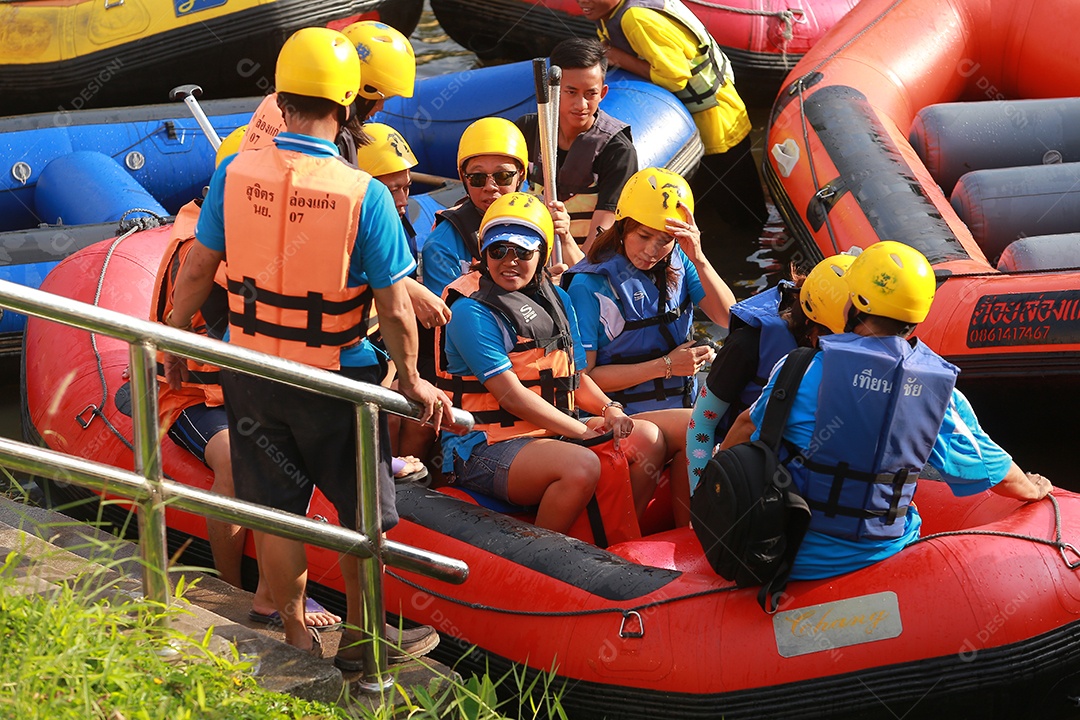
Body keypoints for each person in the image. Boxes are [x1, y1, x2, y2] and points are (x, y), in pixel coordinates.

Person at [161, 27, 453, 667]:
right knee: (361, 519)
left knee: (276, 511)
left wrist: (176, 335)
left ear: (280, 97)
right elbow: (395, 307)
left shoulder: (234, 173)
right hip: (335, 381)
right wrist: (410, 378)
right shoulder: (365, 194)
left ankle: (294, 636)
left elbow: (198, 267)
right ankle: (364, 638)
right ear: (348, 103)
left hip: (250, 371)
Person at [722, 241, 1053, 580]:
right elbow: (992, 468)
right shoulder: (939, 392)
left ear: (853, 304)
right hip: (888, 554)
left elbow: (746, 427)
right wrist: (1032, 488)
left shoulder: (801, 370)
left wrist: (716, 497)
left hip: (795, 558)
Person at [149, 125, 342, 631]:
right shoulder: (197, 251)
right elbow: (239, 328)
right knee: (237, 463)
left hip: (250, 390)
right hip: (195, 395)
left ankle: (273, 591)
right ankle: (231, 587)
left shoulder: (258, 240)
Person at [437, 192, 667, 532]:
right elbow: (511, 396)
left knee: (647, 438)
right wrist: (582, 432)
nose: (509, 261)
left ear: (542, 255)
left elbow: (574, 377)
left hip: (550, 433)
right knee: (581, 464)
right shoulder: (470, 311)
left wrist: (610, 410)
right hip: (483, 448)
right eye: (498, 251)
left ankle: (616, 536)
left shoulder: (557, 297)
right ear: (484, 254)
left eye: (523, 252)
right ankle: (539, 552)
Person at [563, 166, 736, 526]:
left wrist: (698, 256)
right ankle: (675, 531)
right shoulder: (589, 285)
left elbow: (728, 318)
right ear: (623, 225)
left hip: (672, 406)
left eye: (665, 240)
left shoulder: (680, 261)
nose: (651, 250)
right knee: (696, 425)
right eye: (643, 236)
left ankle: (688, 533)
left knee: (726, 418)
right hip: (614, 414)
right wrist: (667, 366)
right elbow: (584, 378)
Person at [575, 0, 768, 232]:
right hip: (707, 117)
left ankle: (752, 246)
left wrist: (617, 57)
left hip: (715, 125)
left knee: (742, 217)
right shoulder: (614, 13)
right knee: (708, 209)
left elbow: (675, 77)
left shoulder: (636, 18)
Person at [686, 253, 857, 484]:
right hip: (737, 455)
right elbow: (701, 424)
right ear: (809, 324)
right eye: (834, 337)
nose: (843, 347)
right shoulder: (749, 343)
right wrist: (701, 492)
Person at [354, 123, 450, 477]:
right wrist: (411, 287)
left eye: (406, 187)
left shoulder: (396, 220)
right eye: (391, 189)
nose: (402, 199)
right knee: (394, 410)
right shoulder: (344, 221)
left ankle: (413, 481)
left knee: (422, 414)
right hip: (354, 356)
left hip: (384, 352)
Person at [421, 117, 581, 300]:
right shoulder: (442, 244)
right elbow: (451, 313)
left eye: (503, 176)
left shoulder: (543, 219)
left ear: (521, 174)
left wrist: (565, 238)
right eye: (477, 178)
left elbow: (587, 286)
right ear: (464, 178)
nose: (490, 187)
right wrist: (540, 290)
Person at [514, 37, 638, 248]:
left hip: (583, 258)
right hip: (526, 253)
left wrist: (568, 252)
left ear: (603, 93)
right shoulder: (527, 130)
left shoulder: (618, 152)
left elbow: (599, 243)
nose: (581, 105)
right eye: (571, 92)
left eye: (591, 94)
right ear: (551, 89)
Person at [239, 20, 415, 158]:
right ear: (359, 91)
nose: (381, 107)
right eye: (381, 98)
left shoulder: (276, 103)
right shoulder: (337, 138)